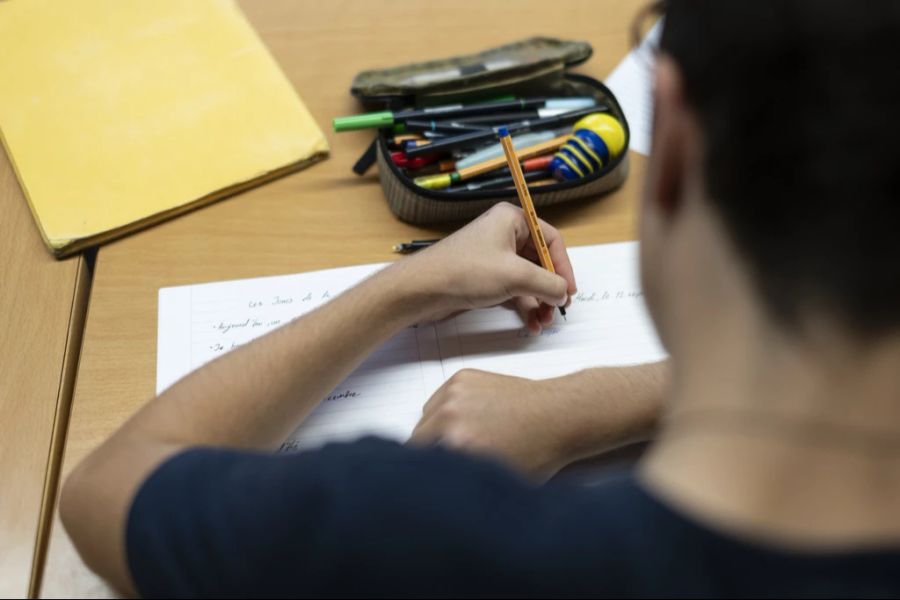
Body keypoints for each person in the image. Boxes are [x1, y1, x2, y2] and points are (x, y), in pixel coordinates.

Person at [61, 0, 900, 596]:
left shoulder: (414, 535)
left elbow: (106, 491)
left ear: (670, 146)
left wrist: (399, 288)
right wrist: (595, 404)